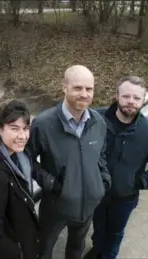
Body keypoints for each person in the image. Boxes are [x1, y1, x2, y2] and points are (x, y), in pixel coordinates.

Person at [26, 65, 112, 259]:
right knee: (43, 249)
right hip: (56, 206)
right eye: (77, 88)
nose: (84, 94)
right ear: (64, 87)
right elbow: (26, 158)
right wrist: (50, 183)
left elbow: (101, 154)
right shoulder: (43, 124)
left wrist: (102, 180)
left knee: (76, 250)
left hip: (88, 205)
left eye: (89, 89)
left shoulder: (98, 122)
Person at [86, 76, 148, 259]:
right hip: (96, 192)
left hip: (124, 199)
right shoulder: (94, 119)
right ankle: (97, 249)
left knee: (115, 234)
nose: (131, 102)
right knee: (98, 228)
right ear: (117, 96)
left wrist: (134, 181)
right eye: (126, 96)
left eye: (136, 98)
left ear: (144, 100)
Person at [0, 99, 55, 259]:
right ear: (0, 129)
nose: (22, 136)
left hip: (22, 240)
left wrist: (52, 182)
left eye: (26, 129)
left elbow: (32, 167)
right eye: (14, 129)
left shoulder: (19, 154)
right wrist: (19, 253)